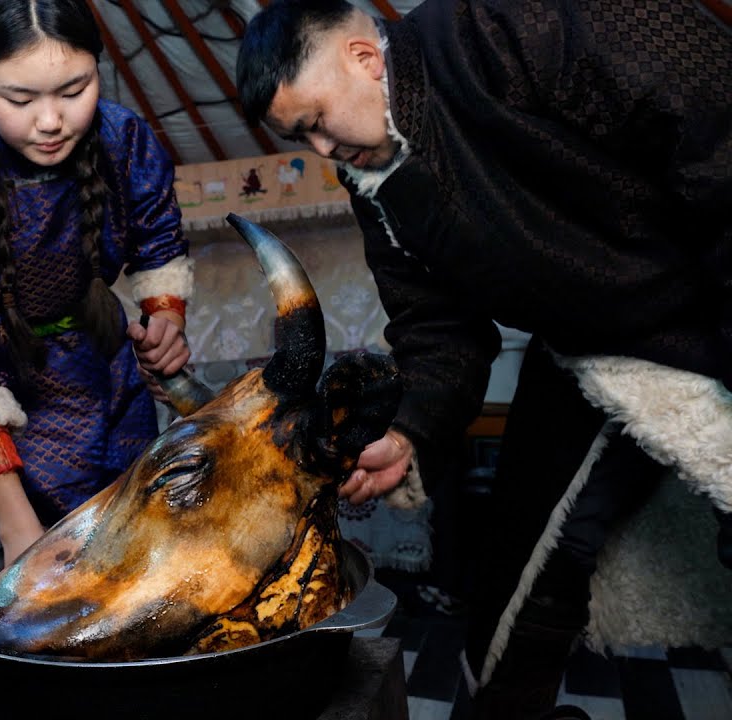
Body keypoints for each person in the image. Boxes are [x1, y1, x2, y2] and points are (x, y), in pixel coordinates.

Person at [237, 1, 730, 718]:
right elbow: (437, 327)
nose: (320, 150)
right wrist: (409, 432)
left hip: (712, 304)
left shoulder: (504, 26)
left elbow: (709, 109)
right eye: (296, 137)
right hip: (593, 352)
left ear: (364, 58)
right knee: (515, 583)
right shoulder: (373, 183)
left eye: (315, 119)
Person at [0, 0, 193, 715]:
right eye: (19, 98)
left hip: (109, 389)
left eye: (74, 89)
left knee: (133, 590)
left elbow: (158, 242)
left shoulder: (126, 142)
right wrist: (15, 523)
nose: (50, 121)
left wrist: (165, 320)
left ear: (100, 71)